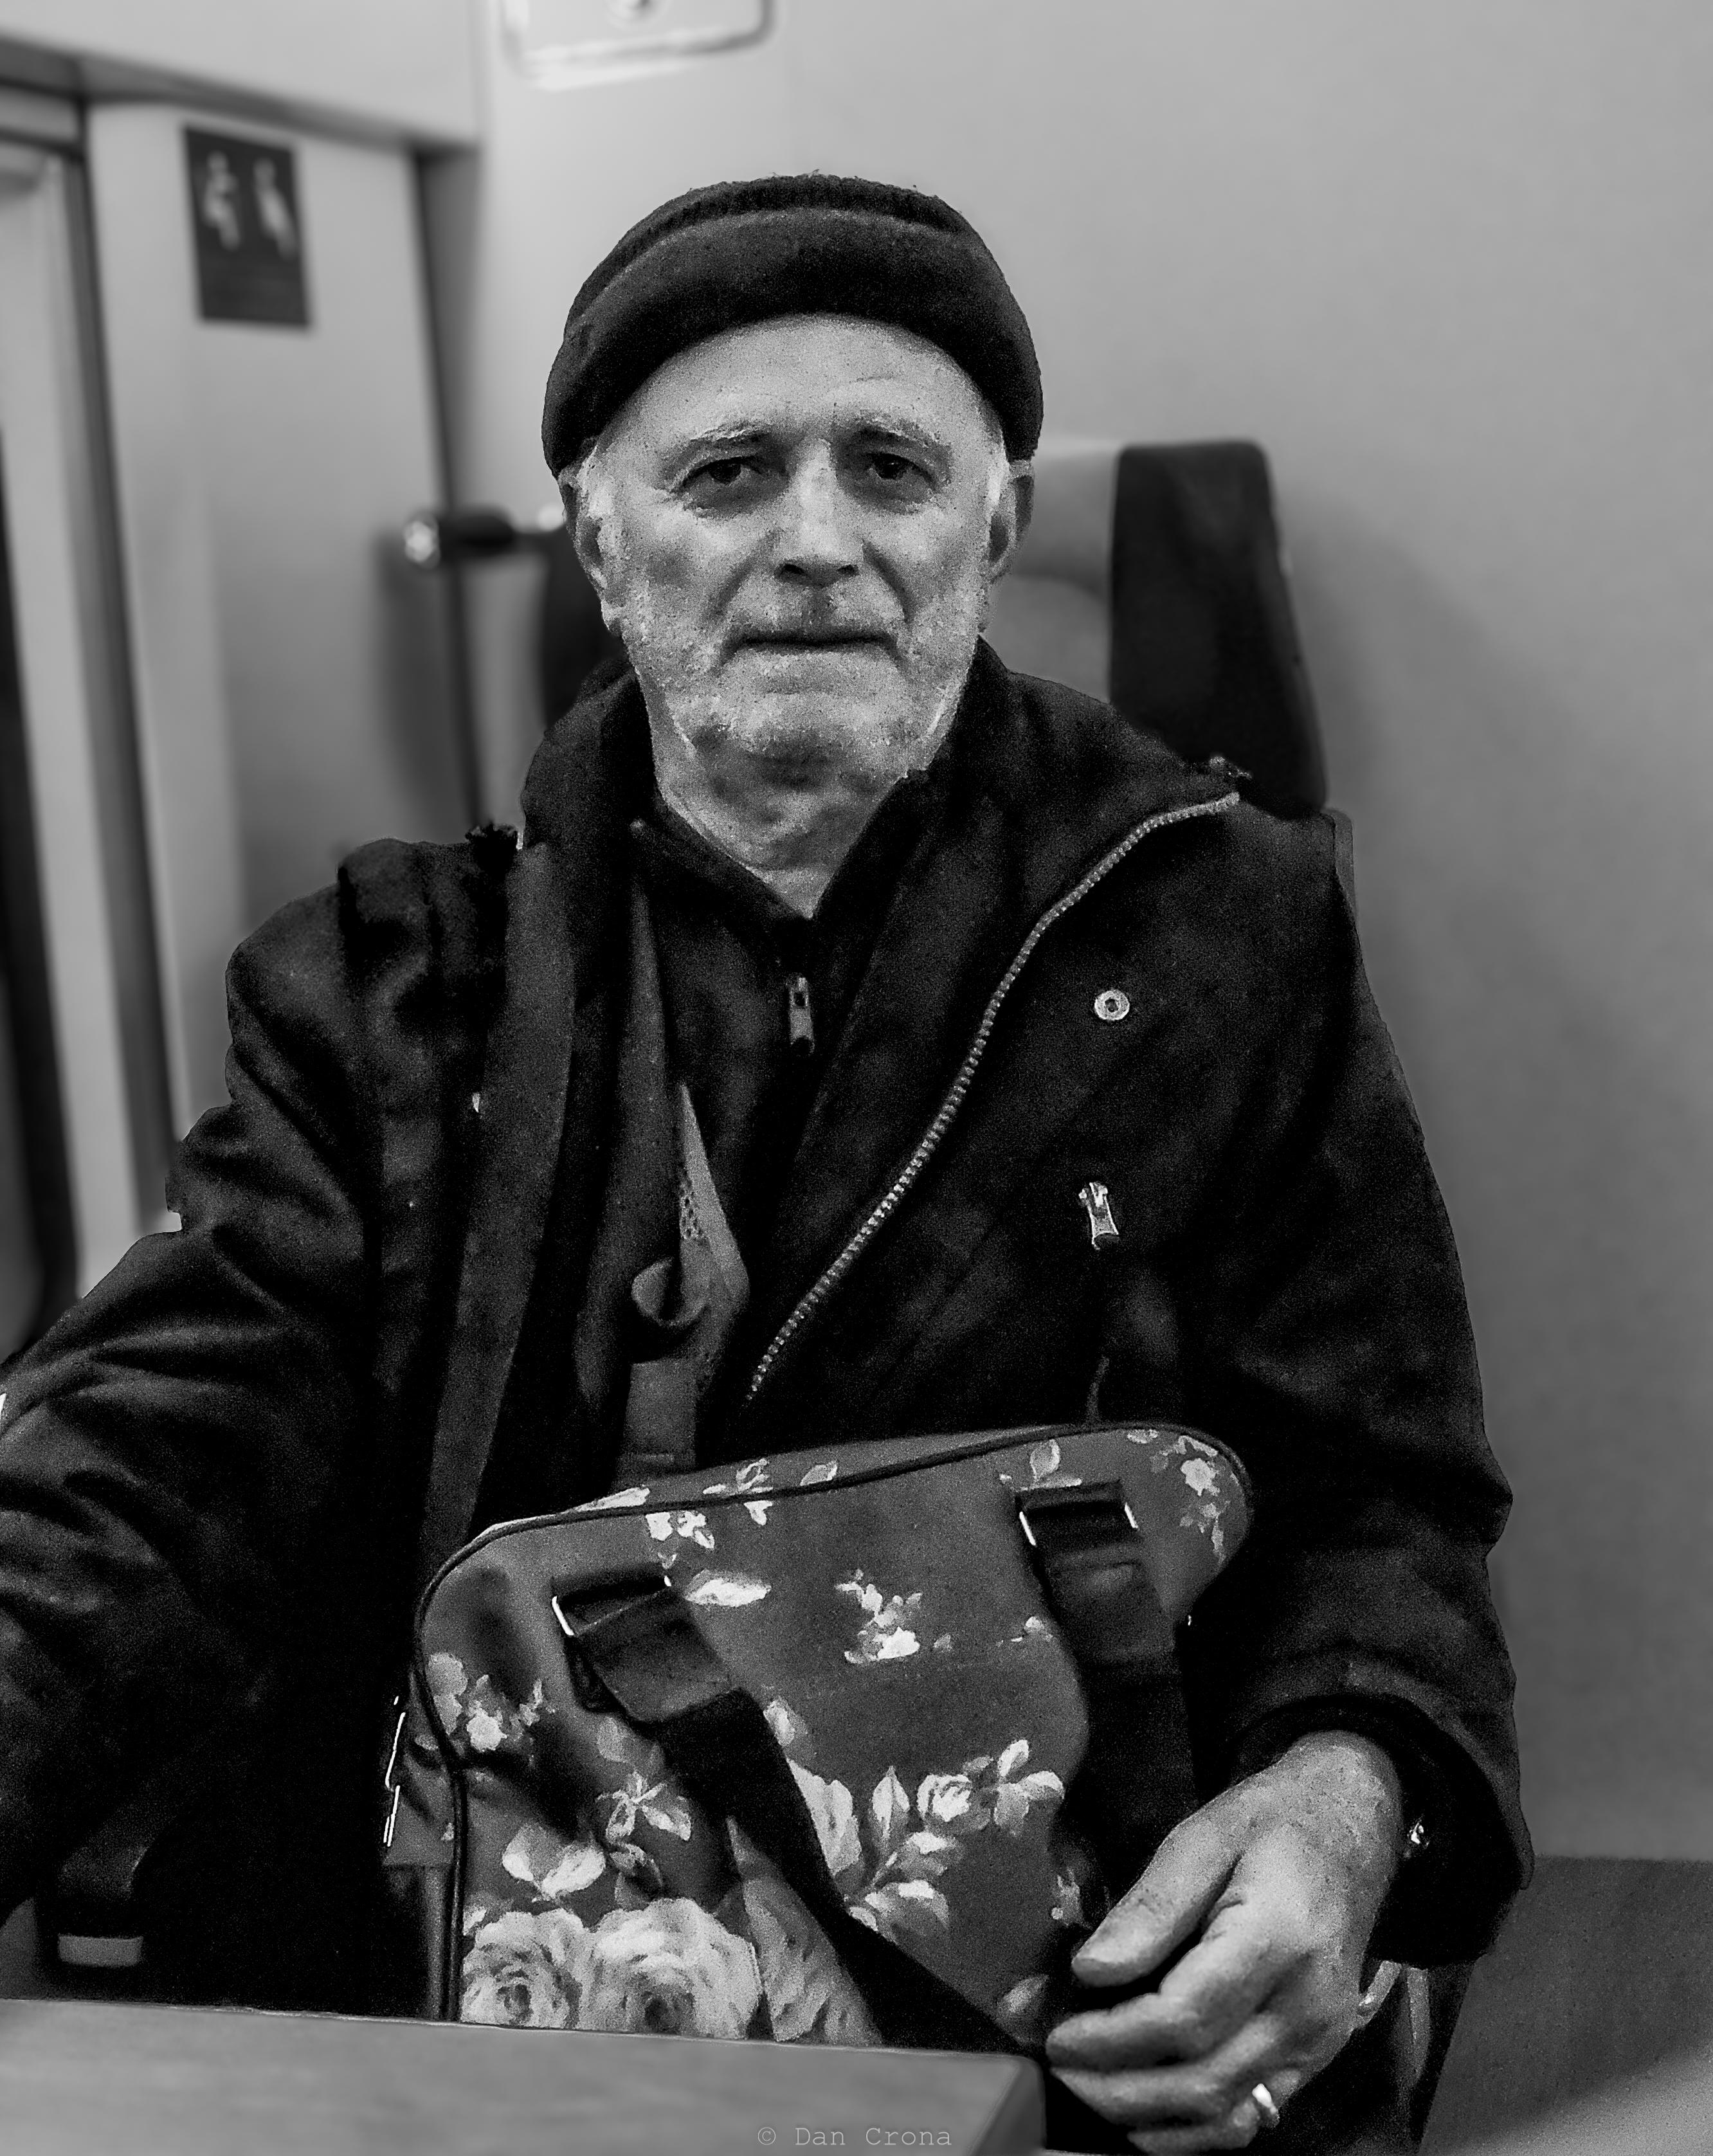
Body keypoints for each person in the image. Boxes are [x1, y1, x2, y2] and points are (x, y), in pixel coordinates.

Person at [0, 176, 1528, 2150]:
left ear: (994, 528)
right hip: (534, 2021)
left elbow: (1384, 1501)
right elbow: (142, 1490)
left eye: (891, 467)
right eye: (729, 474)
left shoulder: (1228, 938)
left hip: (1091, 2015)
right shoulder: (388, 998)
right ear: (604, 542)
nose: (817, 538)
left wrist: (1344, 1795)